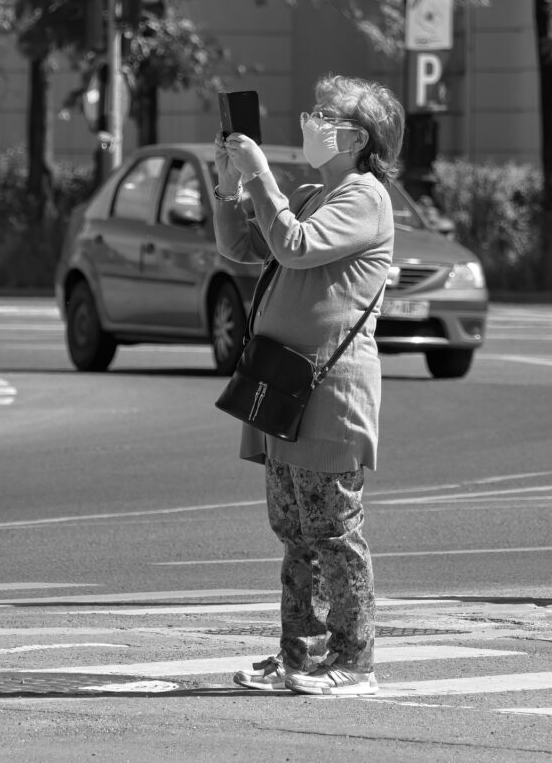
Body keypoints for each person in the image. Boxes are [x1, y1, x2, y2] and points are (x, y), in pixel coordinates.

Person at [212, 74, 404, 696]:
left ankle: (356, 660)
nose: (312, 119)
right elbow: (244, 245)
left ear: (358, 134)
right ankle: (303, 653)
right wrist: (230, 186)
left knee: (333, 532)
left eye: (327, 114)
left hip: (328, 390)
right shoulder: (319, 189)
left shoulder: (364, 197)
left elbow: (293, 246)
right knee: (296, 532)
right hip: (286, 381)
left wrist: (262, 175)